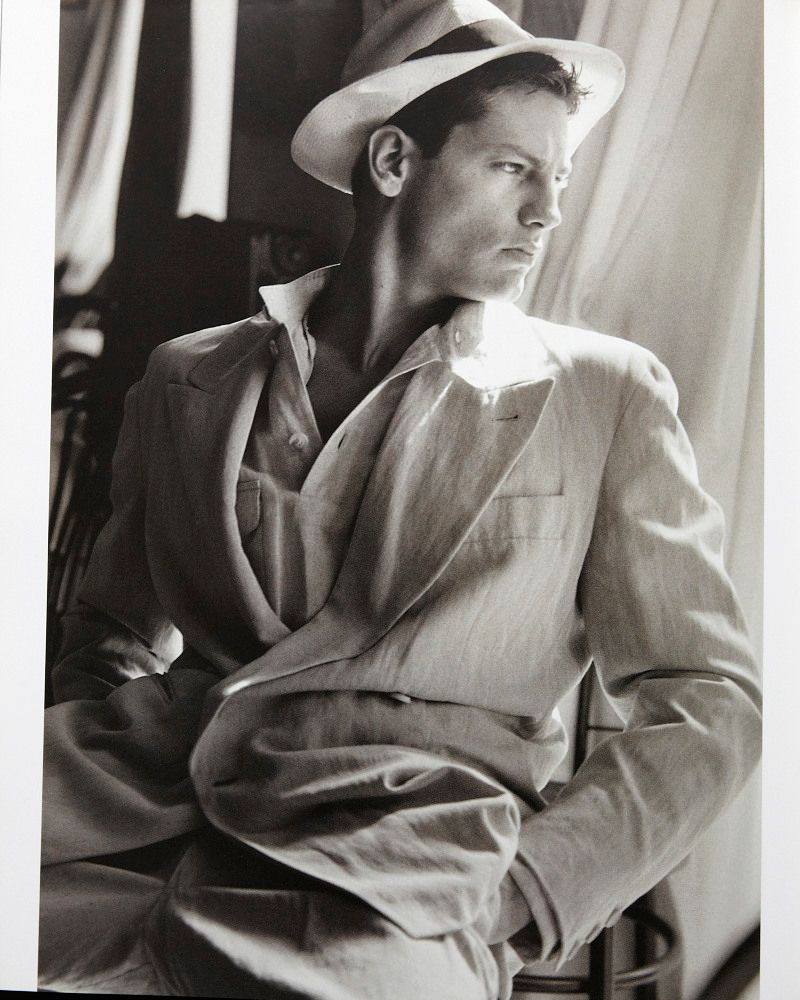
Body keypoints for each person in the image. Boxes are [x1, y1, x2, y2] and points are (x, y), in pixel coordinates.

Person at [38, 1, 762, 997]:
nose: (546, 212)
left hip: (389, 880)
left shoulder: (603, 394)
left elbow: (707, 698)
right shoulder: (185, 375)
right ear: (390, 162)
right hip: (118, 826)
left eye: (558, 178)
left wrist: (529, 893)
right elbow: (110, 637)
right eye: (514, 168)